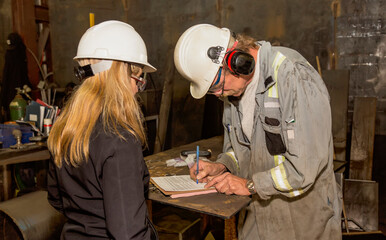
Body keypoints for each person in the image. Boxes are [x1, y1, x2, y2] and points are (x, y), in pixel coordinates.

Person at [174, 24, 342, 239]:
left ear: (238, 62)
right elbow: (239, 149)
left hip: (302, 222)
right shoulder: (232, 93)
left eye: (216, 85)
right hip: (257, 215)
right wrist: (222, 165)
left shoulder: (294, 76)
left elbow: (305, 167)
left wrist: (250, 184)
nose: (217, 94)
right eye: (211, 91)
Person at [47, 20, 158, 239]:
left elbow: (56, 199)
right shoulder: (120, 139)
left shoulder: (64, 126)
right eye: (137, 79)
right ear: (120, 74)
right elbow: (129, 233)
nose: (137, 89)